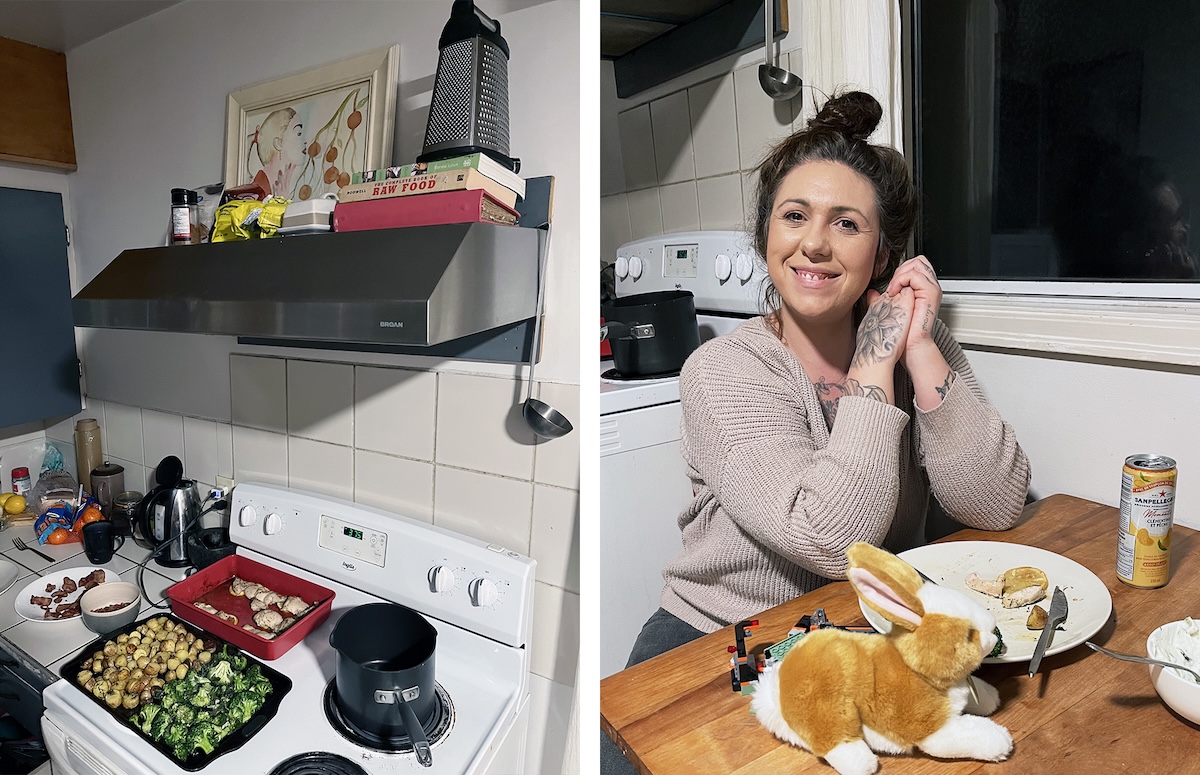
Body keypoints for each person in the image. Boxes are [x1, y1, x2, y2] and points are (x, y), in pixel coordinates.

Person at [601, 90, 1031, 774]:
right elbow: (830, 536)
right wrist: (874, 365)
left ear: (882, 252)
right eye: (794, 216)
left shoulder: (911, 340)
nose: (814, 243)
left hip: (866, 636)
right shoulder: (722, 370)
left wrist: (919, 348)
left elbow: (999, 499)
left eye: (847, 224)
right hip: (722, 642)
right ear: (766, 236)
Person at [250, 107, 306, 198]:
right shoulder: (255, 194)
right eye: (299, 133)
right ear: (278, 143)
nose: (305, 141)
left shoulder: (280, 189)